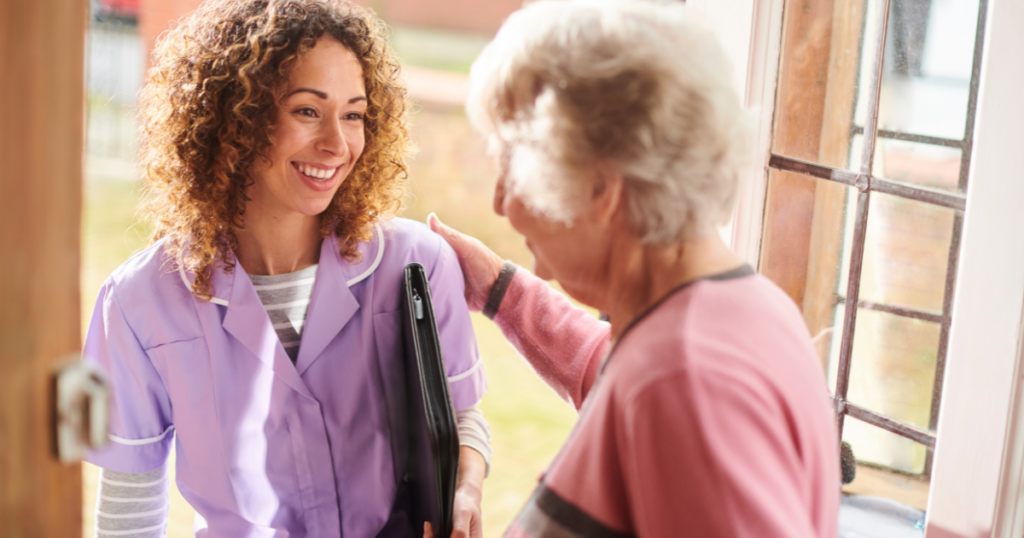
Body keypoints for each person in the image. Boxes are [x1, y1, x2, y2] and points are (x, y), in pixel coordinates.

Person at [426, 1, 840, 536]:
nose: (501, 203)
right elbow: (619, 371)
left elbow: (668, 389)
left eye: (512, 162)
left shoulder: (685, 381)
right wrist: (498, 289)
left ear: (600, 188)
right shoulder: (737, 310)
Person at [82, 1, 489, 536]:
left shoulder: (416, 267)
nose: (337, 144)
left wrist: (467, 489)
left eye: (353, 114)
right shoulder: (139, 302)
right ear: (236, 117)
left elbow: (460, 418)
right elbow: (129, 514)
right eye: (306, 110)